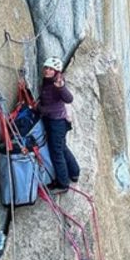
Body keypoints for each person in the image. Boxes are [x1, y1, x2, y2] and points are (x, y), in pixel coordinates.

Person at [39, 57, 80, 194]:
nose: (47, 71)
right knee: (62, 148)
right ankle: (74, 172)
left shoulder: (57, 83)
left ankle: (63, 184)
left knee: (56, 152)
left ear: (56, 71)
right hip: (57, 121)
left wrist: (61, 87)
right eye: (46, 68)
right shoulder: (48, 81)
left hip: (56, 122)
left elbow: (69, 98)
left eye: (51, 69)